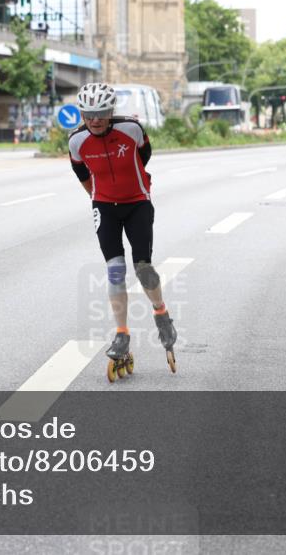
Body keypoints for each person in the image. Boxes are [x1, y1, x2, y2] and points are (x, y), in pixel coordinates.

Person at [68, 82, 177, 380]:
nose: (95, 119)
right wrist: (99, 196)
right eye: (88, 113)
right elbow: (80, 172)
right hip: (104, 207)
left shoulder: (131, 130)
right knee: (115, 270)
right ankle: (122, 333)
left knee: (142, 266)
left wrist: (131, 184)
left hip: (138, 202)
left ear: (110, 111)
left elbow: (144, 156)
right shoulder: (76, 141)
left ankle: (160, 312)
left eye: (101, 113)